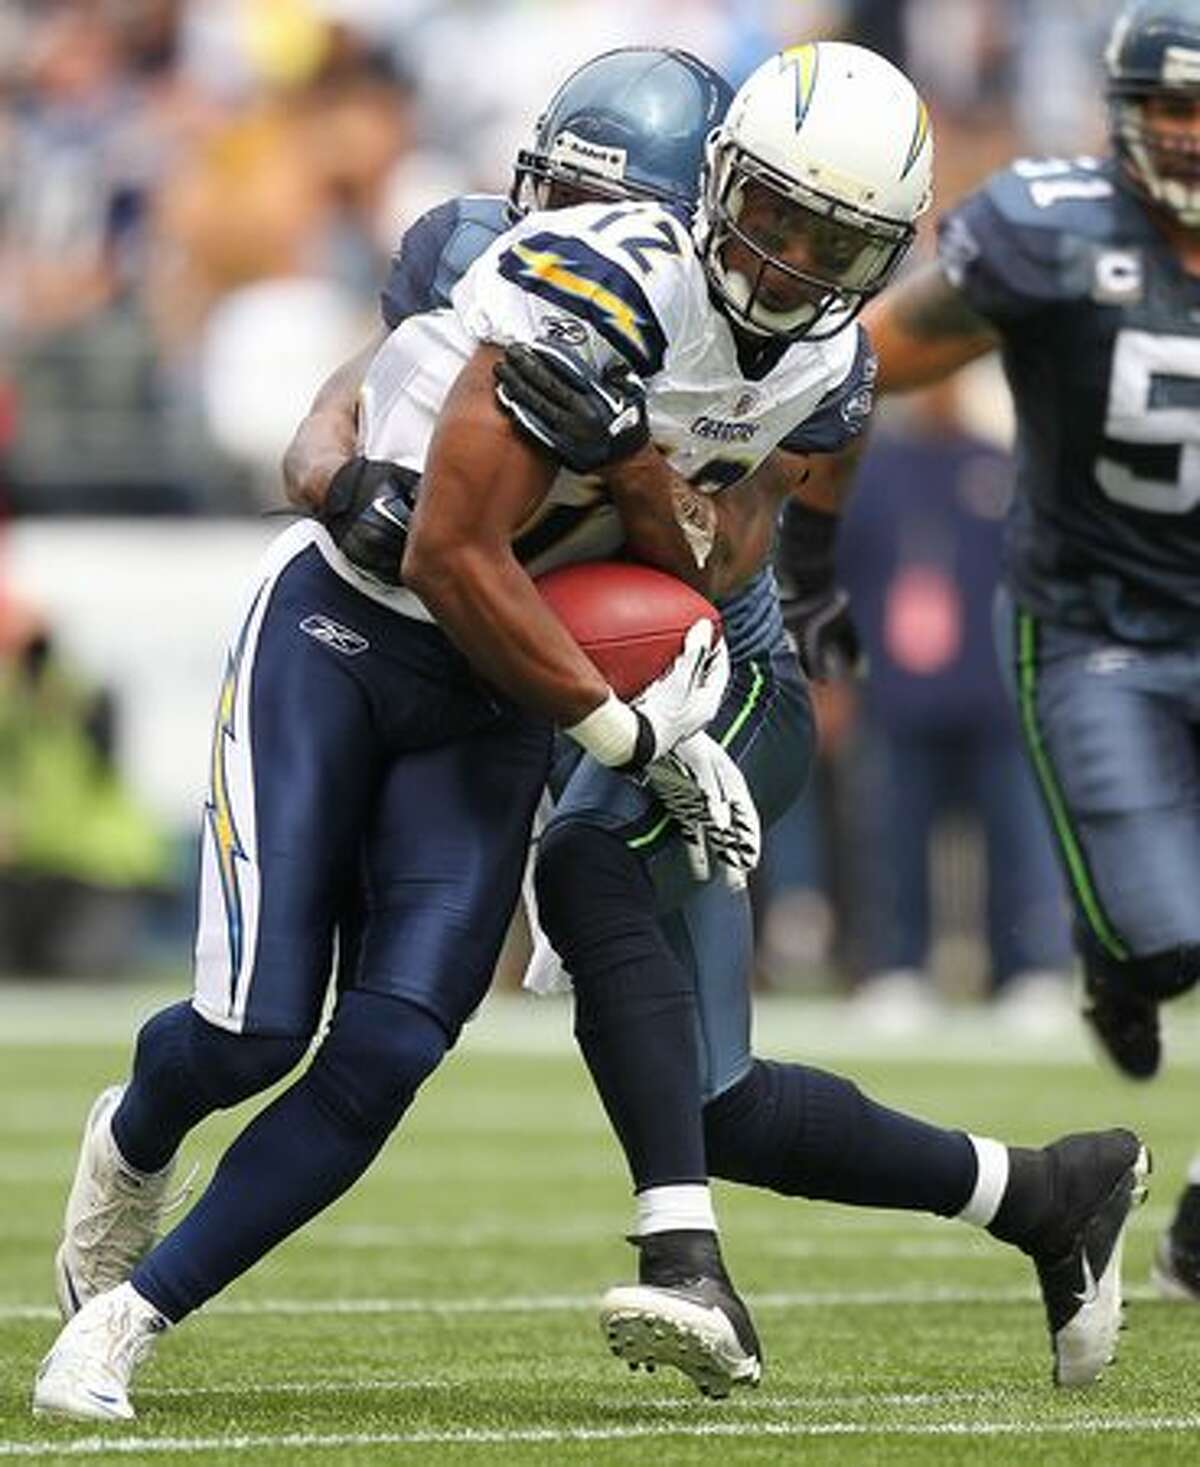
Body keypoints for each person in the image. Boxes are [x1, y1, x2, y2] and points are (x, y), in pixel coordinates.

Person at [32, 44, 1146, 1425]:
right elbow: (432, 525)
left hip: (532, 683)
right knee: (252, 1031)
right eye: (772, 217)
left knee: (398, 1048)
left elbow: (724, 560)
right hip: (350, 638)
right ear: (707, 194)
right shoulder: (570, 268)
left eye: (833, 242)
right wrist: (347, 485)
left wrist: (642, 483)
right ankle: (136, 1150)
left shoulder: (823, 368)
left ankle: (132, 1324)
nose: (790, 262)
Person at [780, 0, 1198, 1296]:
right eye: (1173, 110)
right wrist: (807, 555)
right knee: (1176, 936)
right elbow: (862, 365)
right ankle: (1120, 950)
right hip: (1098, 628)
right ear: (1125, 121)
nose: (1191, 138)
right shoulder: (1055, 233)